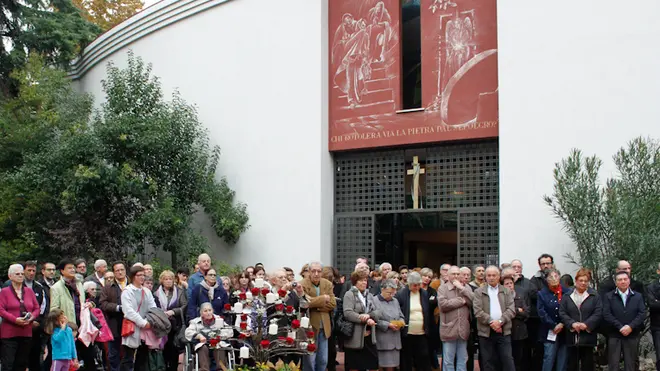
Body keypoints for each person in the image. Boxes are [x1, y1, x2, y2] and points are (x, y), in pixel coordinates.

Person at [50, 259, 94, 371]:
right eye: (69, 268)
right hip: (68, 327)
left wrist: (89, 304)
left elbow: (83, 302)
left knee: (89, 355)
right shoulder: (56, 287)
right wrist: (63, 323)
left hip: (83, 325)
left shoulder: (79, 284)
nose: (73, 270)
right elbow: (54, 309)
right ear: (62, 271)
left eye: (73, 267)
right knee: (69, 358)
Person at [473, 266, 516, 371]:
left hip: (503, 331)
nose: (491, 278)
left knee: (507, 360)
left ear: (499, 276)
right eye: (489, 275)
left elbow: (511, 310)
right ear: (485, 277)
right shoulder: (479, 292)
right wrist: (491, 322)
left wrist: (500, 322)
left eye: (494, 275)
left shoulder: (506, 291)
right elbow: (478, 311)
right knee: (488, 361)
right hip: (486, 332)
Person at [0, 264, 40, 371]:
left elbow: (37, 308)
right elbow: (1, 310)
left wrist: (32, 317)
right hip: (9, 333)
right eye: (17, 274)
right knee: (8, 364)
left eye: (22, 274)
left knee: (21, 363)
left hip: (26, 332)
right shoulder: (4, 292)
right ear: (10, 276)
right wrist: (15, 319)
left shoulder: (29, 291)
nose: (21, 276)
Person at [559, 268, 601, 371]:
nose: (583, 283)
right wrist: (572, 324)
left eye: (586, 281)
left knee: (588, 365)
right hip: (572, 336)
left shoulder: (594, 295)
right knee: (572, 365)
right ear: (576, 281)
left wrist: (586, 324)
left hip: (588, 336)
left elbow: (598, 313)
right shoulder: (567, 296)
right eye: (581, 280)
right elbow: (562, 312)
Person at [603, 271, 645, 371]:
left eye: (625, 279)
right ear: (616, 282)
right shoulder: (609, 296)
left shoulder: (638, 296)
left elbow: (642, 313)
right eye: (620, 280)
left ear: (629, 281)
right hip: (614, 334)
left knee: (630, 364)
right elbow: (606, 314)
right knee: (613, 364)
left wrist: (630, 326)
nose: (623, 282)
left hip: (631, 334)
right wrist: (620, 327)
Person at [120, 264, 157, 371]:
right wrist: (143, 323)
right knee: (128, 358)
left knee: (142, 359)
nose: (142, 277)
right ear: (133, 277)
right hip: (133, 329)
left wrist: (149, 321)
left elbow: (153, 307)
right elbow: (128, 311)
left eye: (143, 275)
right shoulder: (127, 291)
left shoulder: (146, 291)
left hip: (146, 329)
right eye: (139, 275)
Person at [301, 261, 336, 371]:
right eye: (313, 271)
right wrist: (322, 299)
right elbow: (304, 303)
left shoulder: (327, 284)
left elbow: (332, 304)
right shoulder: (302, 284)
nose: (316, 274)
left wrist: (315, 305)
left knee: (323, 360)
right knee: (310, 360)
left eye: (319, 271)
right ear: (309, 272)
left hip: (324, 326)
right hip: (310, 326)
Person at [343, 269, 380, 371]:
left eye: (365, 280)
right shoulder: (349, 294)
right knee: (355, 366)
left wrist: (369, 316)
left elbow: (377, 312)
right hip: (355, 337)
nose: (364, 282)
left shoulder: (369, 295)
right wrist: (362, 318)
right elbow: (348, 313)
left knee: (373, 365)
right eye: (361, 280)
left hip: (369, 337)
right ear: (355, 282)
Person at [438, 266, 473, 371]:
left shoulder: (466, 287)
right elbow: (443, 305)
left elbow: (474, 302)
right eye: (453, 274)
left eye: (458, 274)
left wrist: (462, 288)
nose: (456, 276)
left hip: (463, 329)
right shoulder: (442, 288)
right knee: (448, 361)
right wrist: (461, 301)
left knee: (463, 359)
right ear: (448, 276)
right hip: (449, 329)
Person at [396, 272, 432, 371]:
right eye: (414, 285)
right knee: (406, 359)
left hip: (422, 332)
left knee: (423, 357)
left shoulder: (424, 293)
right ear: (409, 284)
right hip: (407, 333)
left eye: (419, 285)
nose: (417, 287)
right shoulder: (401, 294)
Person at [154, 270, 188, 371]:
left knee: (174, 348)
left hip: (175, 325)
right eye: (166, 279)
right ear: (162, 280)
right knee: (163, 349)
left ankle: (173, 367)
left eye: (170, 279)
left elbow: (184, 305)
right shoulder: (156, 292)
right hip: (162, 325)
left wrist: (173, 312)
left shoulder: (179, 291)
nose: (168, 281)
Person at [537, 269, 570, 371]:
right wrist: (553, 325)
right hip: (550, 330)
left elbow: (570, 310)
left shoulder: (567, 292)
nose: (554, 279)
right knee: (549, 358)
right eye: (551, 277)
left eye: (556, 276)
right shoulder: (542, 293)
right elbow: (541, 312)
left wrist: (563, 323)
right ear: (546, 279)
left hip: (564, 330)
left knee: (563, 359)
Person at [184, 302, 228, 371]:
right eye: (205, 311)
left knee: (219, 346)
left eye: (210, 310)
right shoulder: (195, 322)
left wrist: (219, 336)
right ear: (201, 313)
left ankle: (221, 369)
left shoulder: (219, 320)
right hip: (203, 343)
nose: (208, 313)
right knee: (202, 347)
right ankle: (204, 369)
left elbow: (229, 331)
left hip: (216, 342)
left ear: (212, 311)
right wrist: (199, 336)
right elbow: (188, 332)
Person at [100, 262, 126, 371]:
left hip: (132, 323)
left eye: (122, 269)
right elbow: (103, 304)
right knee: (113, 352)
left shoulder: (133, 285)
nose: (120, 272)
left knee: (129, 352)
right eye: (117, 270)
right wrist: (118, 307)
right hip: (114, 323)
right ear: (114, 272)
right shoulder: (108, 287)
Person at [373, 279, 405, 371]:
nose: (391, 295)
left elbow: (401, 315)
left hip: (395, 339)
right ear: (382, 289)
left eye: (393, 293)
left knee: (393, 366)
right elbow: (373, 319)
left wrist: (401, 322)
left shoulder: (395, 301)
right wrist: (387, 325)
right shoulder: (374, 301)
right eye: (389, 293)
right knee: (380, 365)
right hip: (382, 340)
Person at [501, 273, 529, 371]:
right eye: (506, 284)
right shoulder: (500, 298)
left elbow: (526, 313)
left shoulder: (520, 296)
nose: (509, 285)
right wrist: (518, 310)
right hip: (505, 332)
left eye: (511, 283)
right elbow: (502, 313)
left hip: (519, 332)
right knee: (506, 358)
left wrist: (514, 311)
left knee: (518, 358)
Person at [646, 263, 660, 371]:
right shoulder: (651, 288)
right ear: (658, 272)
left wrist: (657, 301)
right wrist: (655, 302)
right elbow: (652, 305)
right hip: (658, 327)